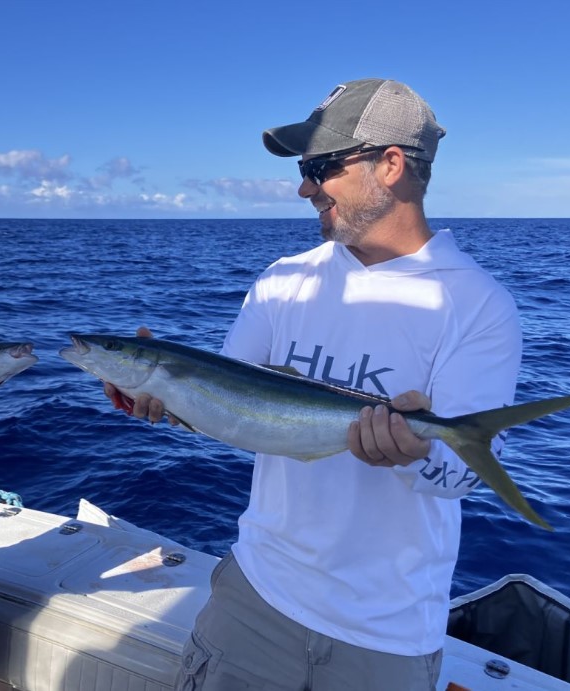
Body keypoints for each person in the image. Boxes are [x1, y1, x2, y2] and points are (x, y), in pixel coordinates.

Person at [106, 79, 522, 690]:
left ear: (391, 165)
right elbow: (226, 405)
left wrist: (415, 453)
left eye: (320, 167)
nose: (304, 188)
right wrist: (159, 391)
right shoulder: (283, 281)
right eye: (303, 170)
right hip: (255, 596)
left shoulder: (479, 304)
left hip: (386, 635)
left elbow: (460, 477)